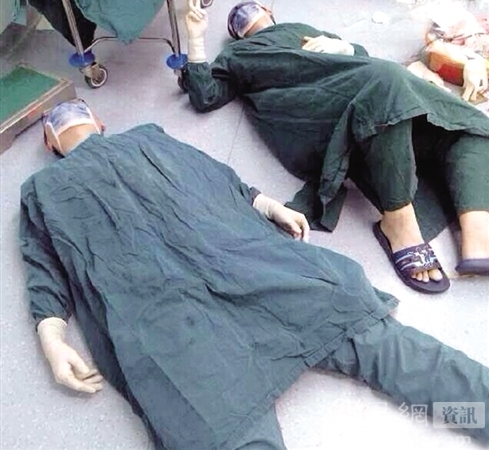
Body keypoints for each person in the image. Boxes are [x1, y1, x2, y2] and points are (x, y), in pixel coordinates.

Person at [19, 99, 489, 449]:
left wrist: (52, 338)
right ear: (98, 122)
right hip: (247, 268)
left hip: (169, 311)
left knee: (220, 419)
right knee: (387, 350)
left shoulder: (47, 185)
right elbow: (218, 176)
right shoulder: (136, 143)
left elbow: (44, 268)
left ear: (50, 141)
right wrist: (266, 204)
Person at [182, 0, 489, 293]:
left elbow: (361, 58)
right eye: (237, 20)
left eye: (249, 8)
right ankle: (398, 221)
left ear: (268, 9)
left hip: (370, 91)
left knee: (466, 125)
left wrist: (344, 47)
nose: (244, 16)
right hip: (321, 110)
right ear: (237, 36)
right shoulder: (238, 54)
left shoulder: (302, 29)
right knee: (388, 79)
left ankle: (478, 231)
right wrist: (195, 40)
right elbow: (206, 95)